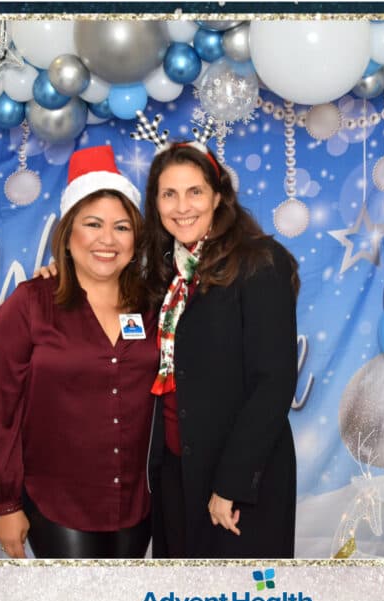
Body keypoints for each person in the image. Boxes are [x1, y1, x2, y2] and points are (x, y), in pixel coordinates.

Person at [0, 145, 159, 559]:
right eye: (93, 224)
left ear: (136, 239)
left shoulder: (152, 307)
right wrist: (5, 504)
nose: (107, 240)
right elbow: (1, 407)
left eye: (122, 227)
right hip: (56, 504)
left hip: (136, 504)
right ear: (69, 234)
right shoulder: (30, 304)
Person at [143, 143, 300, 559]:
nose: (182, 207)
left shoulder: (260, 262)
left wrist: (230, 484)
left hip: (238, 476)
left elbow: (274, 382)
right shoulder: (164, 274)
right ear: (155, 203)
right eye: (169, 194)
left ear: (217, 196)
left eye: (194, 192)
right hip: (175, 471)